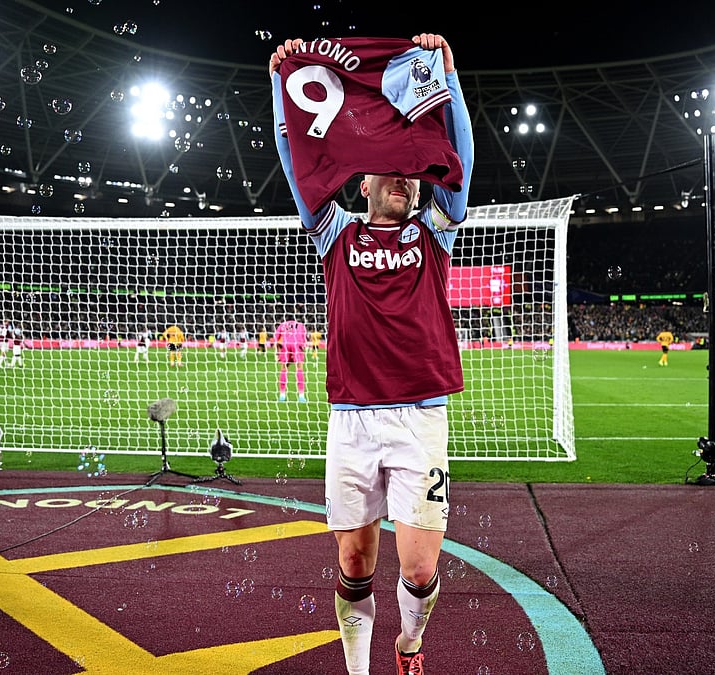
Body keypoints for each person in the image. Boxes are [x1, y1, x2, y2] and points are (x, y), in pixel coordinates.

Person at [271, 32, 472, 675]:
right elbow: (296, 154)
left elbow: (457, 155)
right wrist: (283, 85)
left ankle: (409, 648)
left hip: (420, 416)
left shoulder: (433, 233)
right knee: (354, 563)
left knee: (418, 568)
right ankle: (358, 670)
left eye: (410, 175)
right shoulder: (336, 232)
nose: (405, 182)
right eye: (390, 173)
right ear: (362, 183)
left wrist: (448, 74)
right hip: (353, 419)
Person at [272, 316, 308, 403]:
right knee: (299, 368)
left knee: (284, 369)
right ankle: (301, 396)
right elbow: (304, 341)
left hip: (285, 345)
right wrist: (302, 349)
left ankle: (282, 395)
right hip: (296, 344)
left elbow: (275, 339)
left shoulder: (282, 325)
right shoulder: (300, 325)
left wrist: (277, 353)